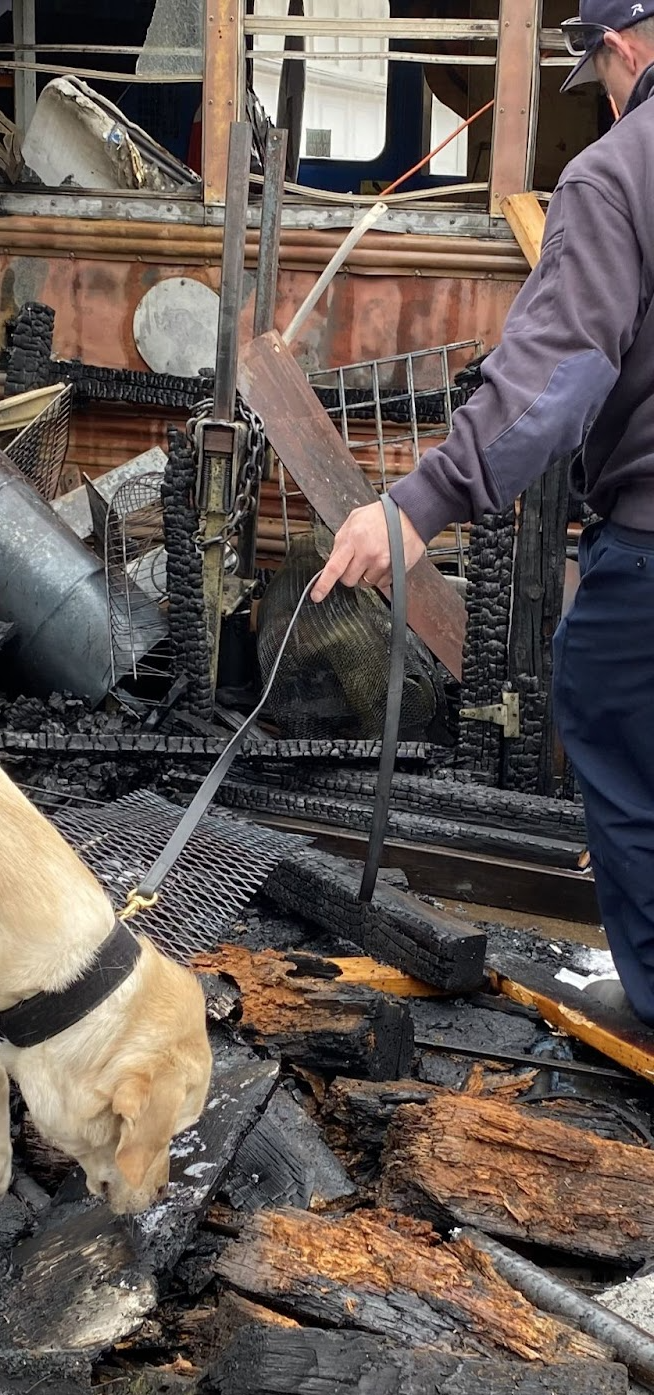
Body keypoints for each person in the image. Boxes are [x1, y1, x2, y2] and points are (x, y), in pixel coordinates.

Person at [314, 2, 654, 1021]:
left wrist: (420, 504)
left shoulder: (617, 172)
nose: (602, 92)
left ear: (625, 46)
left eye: (597, 70)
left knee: (600, 703)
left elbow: (561, 373)